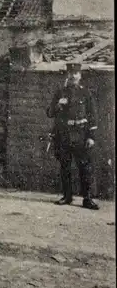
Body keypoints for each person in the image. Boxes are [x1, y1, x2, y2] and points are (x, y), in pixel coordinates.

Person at [47, 62, 99, 210]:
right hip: (64, 135)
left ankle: (87, 199)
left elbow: (93, 116)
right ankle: (67, 196)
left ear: (80, 75)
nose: (72, 76)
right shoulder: (60, 92)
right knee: (65, 166)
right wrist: (58, 105)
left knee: (85, 167)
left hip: (81, 134)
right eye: (70, 74)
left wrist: (91, 136)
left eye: (75, 73)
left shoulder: (86, 93)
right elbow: (49, 113)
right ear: (67, 75)